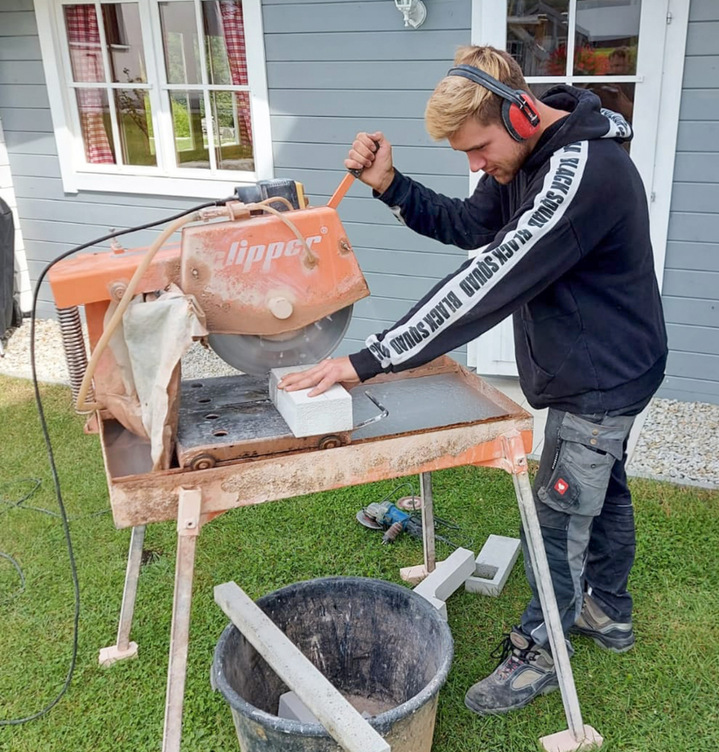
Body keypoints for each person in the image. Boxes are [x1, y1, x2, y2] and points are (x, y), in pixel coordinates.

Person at [279, 45, 668, 716]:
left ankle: (542, 652)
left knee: (563, 508)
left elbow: (484, 281)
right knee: (603, 491)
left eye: (479, 147)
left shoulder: (582, 173)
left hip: (604, 374)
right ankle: (609, 613)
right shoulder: (528, 154)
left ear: (521, 112)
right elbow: (470, 227)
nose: (475, 165)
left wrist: (369, 358)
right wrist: (390, 183)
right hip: (605, 360)